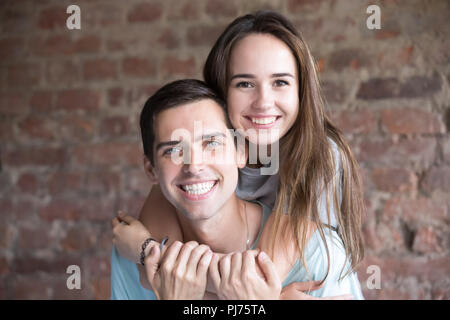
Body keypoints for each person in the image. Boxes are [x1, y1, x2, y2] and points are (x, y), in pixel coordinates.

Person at [113, 10, 365, 298]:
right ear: (220, 92)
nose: (263, 102)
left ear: (301, 90)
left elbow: (254, 280)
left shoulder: (319, 156)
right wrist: (147, 252)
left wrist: (148, 253)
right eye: (245, 84)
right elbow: (154, 274)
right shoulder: (194, 153)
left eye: (280, 82)